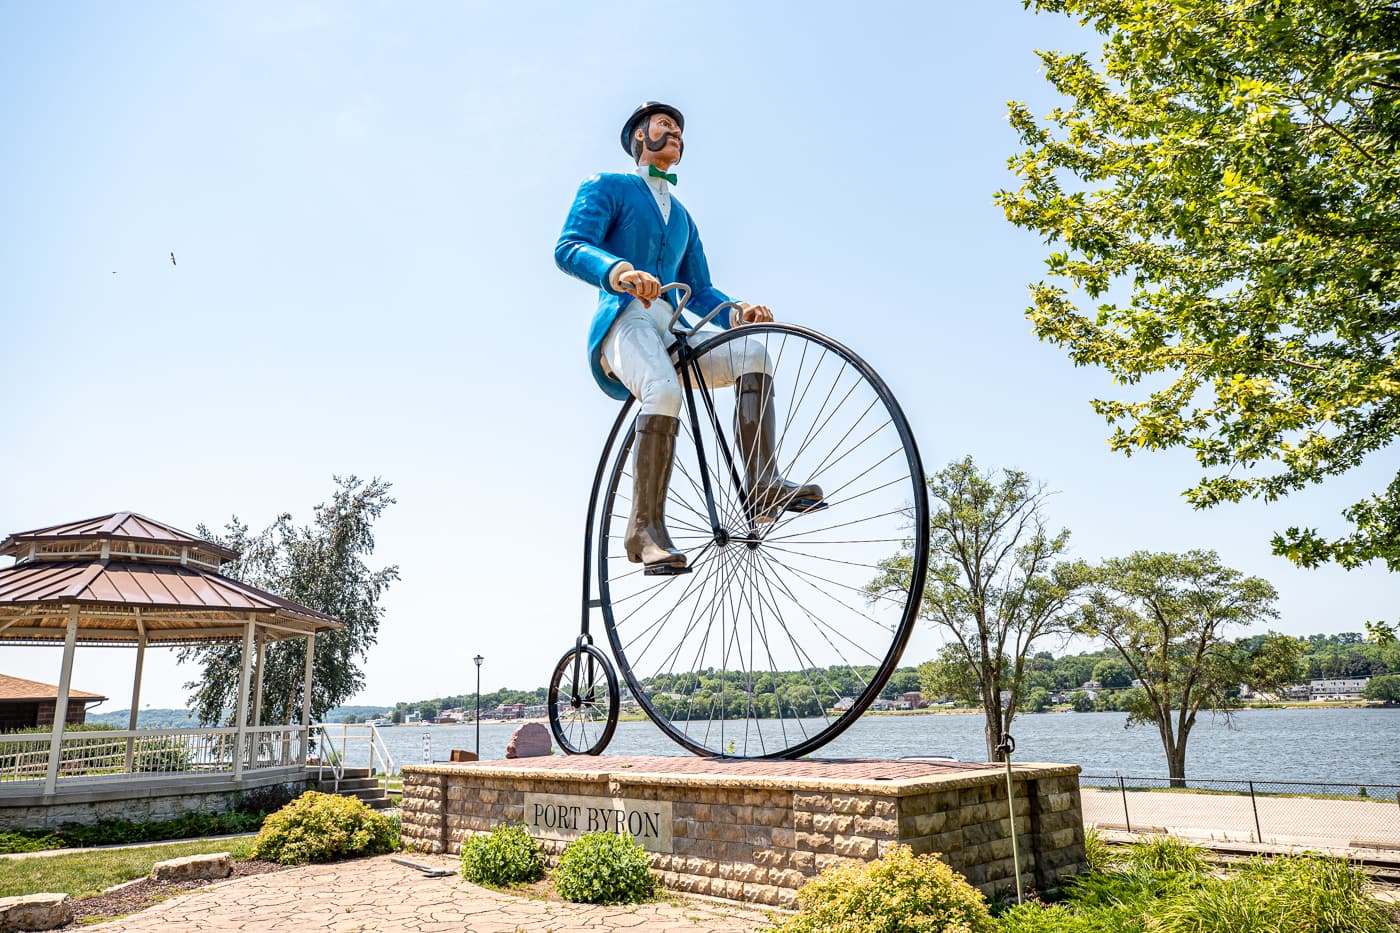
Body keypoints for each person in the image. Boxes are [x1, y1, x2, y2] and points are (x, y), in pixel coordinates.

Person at [555, 102, 822, 575]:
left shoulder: (682, 217)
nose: (675, 132)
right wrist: (616, 271)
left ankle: (762, 483)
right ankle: (643, 530)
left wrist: (736, 310)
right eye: (664, 125)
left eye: (678, 129)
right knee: (663, 389)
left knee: (753, 354)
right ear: (640, 137)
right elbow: (569, 246)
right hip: (626, 322)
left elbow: (698, 290)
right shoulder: (608, 187)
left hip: (673, 328)